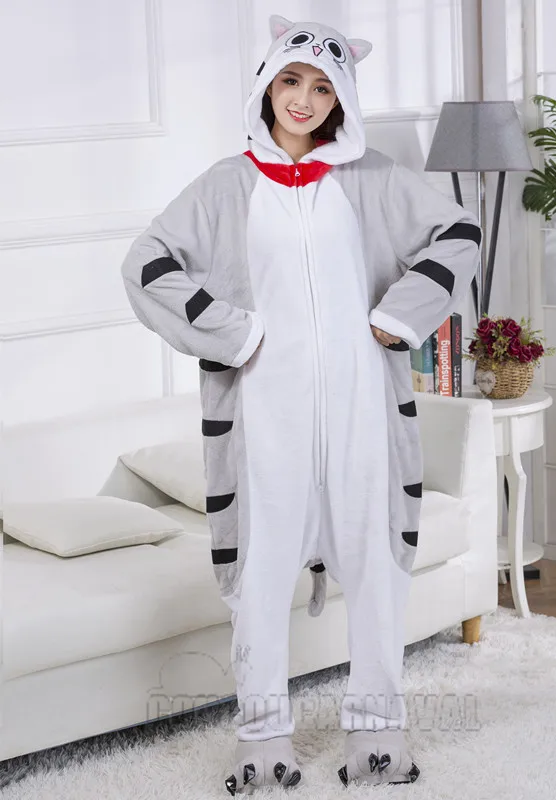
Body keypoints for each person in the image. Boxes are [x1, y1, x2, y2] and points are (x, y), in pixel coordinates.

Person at [120, 14, 482, 793]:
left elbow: (457, 233)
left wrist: (398, 319)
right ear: (266, 84)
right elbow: (145, 263)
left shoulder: (375, 178)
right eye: (290, 80)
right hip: (263, 419)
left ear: (340, 97)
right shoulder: (226, 184)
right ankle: (261, 742)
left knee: (377, 571)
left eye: (322, 86)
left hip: (363, 414)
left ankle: (377, 737)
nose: (303, 100)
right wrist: (234, 333)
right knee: (257, 583)